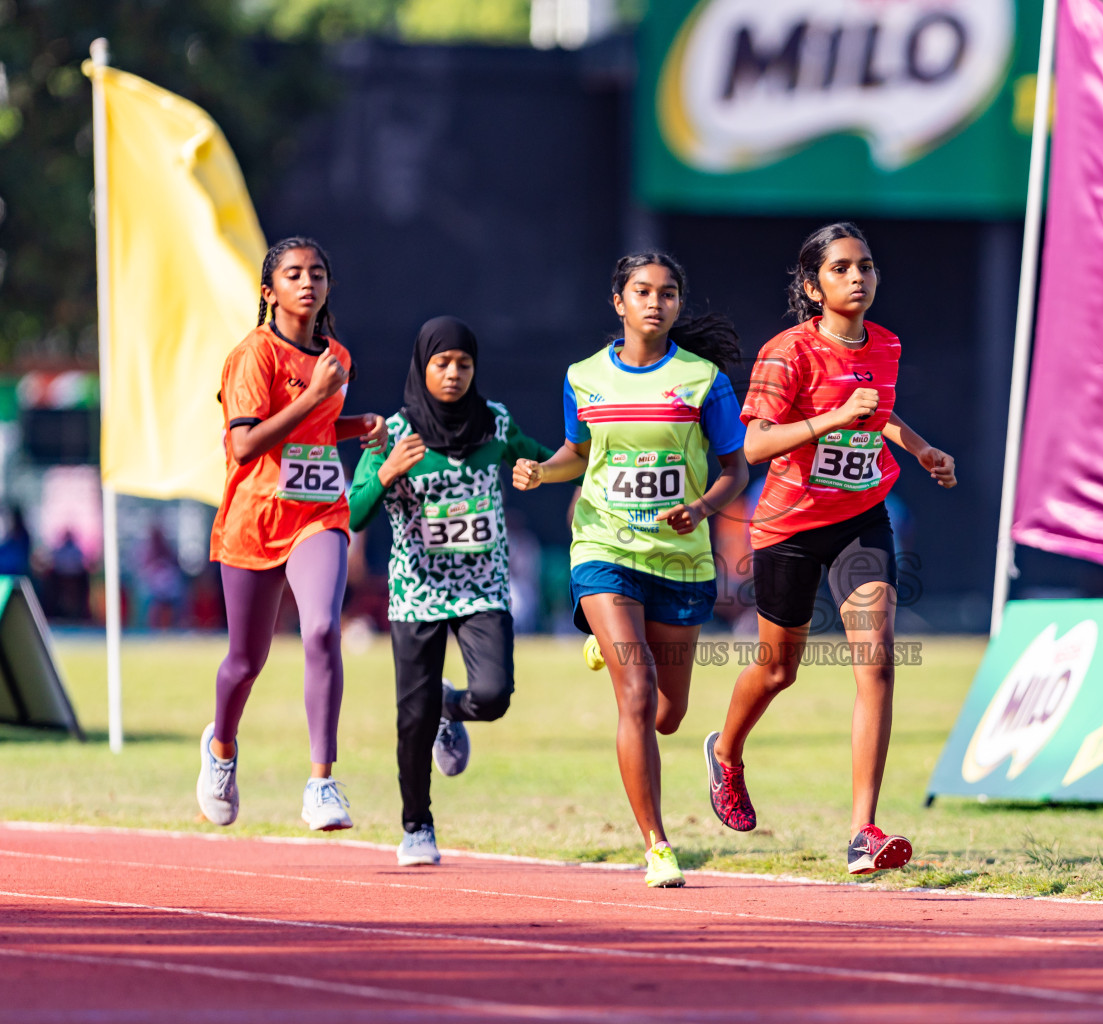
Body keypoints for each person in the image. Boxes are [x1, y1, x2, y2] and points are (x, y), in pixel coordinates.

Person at [704, 222, 956, 875]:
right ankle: (727, 753)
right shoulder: (786, 354)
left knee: (876, 666)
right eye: (842, 268)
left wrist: (919, 447)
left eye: (866, 266)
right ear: (814, 285)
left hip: (861, 519)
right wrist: (830, 419)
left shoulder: (888, 344)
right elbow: (752, 447)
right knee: (778, 670)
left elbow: (881, 412)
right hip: (788, 527)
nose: (858, 278)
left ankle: (863, 832)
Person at [514, 253, 749, 888]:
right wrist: (543, 469)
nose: (655, 302)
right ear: (618, 301)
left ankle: (608, 640)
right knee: (637, 696)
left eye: (668, 292)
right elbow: (576, 452)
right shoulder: (584, 377)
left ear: (677, 304)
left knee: (669, 714)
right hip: (604, 549)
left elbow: (736, 471)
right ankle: (657, 845)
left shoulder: (703, 380)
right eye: (642, 291)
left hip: (680, 559)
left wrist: (698, 507)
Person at [197, 236, 387, 832]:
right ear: (268, 290)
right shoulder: (254, 355)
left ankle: (322, 783)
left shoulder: (338, 357)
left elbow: (317, 433)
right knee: (244, 661)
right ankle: (222, 749)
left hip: (318, 515)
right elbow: (245, 444)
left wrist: (358, 424)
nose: (308, 283)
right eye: (294, 274)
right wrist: (315, 395)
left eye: (319, 274)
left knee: (324, 629)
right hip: (253, 522)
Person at [349, 316, 555, 867]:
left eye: (464, 364)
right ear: (423, 366)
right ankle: (417, 826)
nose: (454, 373)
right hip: (417, 590)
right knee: (409, 718)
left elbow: (538, 455)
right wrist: (386, 470)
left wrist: (541, 471)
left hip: (482, 587)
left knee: (493, 696)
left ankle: (448, 706)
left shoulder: (496, 423)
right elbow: (354, 513)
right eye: (442, 363)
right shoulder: (393, 435)